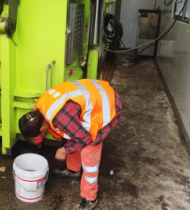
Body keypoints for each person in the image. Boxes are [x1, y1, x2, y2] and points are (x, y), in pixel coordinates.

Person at [19, 79, 122, 210]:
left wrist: (64, 149)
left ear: (41, 129)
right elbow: (71, 130)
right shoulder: (38, 110)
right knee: (71, 132)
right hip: (97, 95)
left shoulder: (60, 116)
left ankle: (90, 199)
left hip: (108, 105)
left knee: (88, 150)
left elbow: (83, 138)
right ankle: (73, 171)